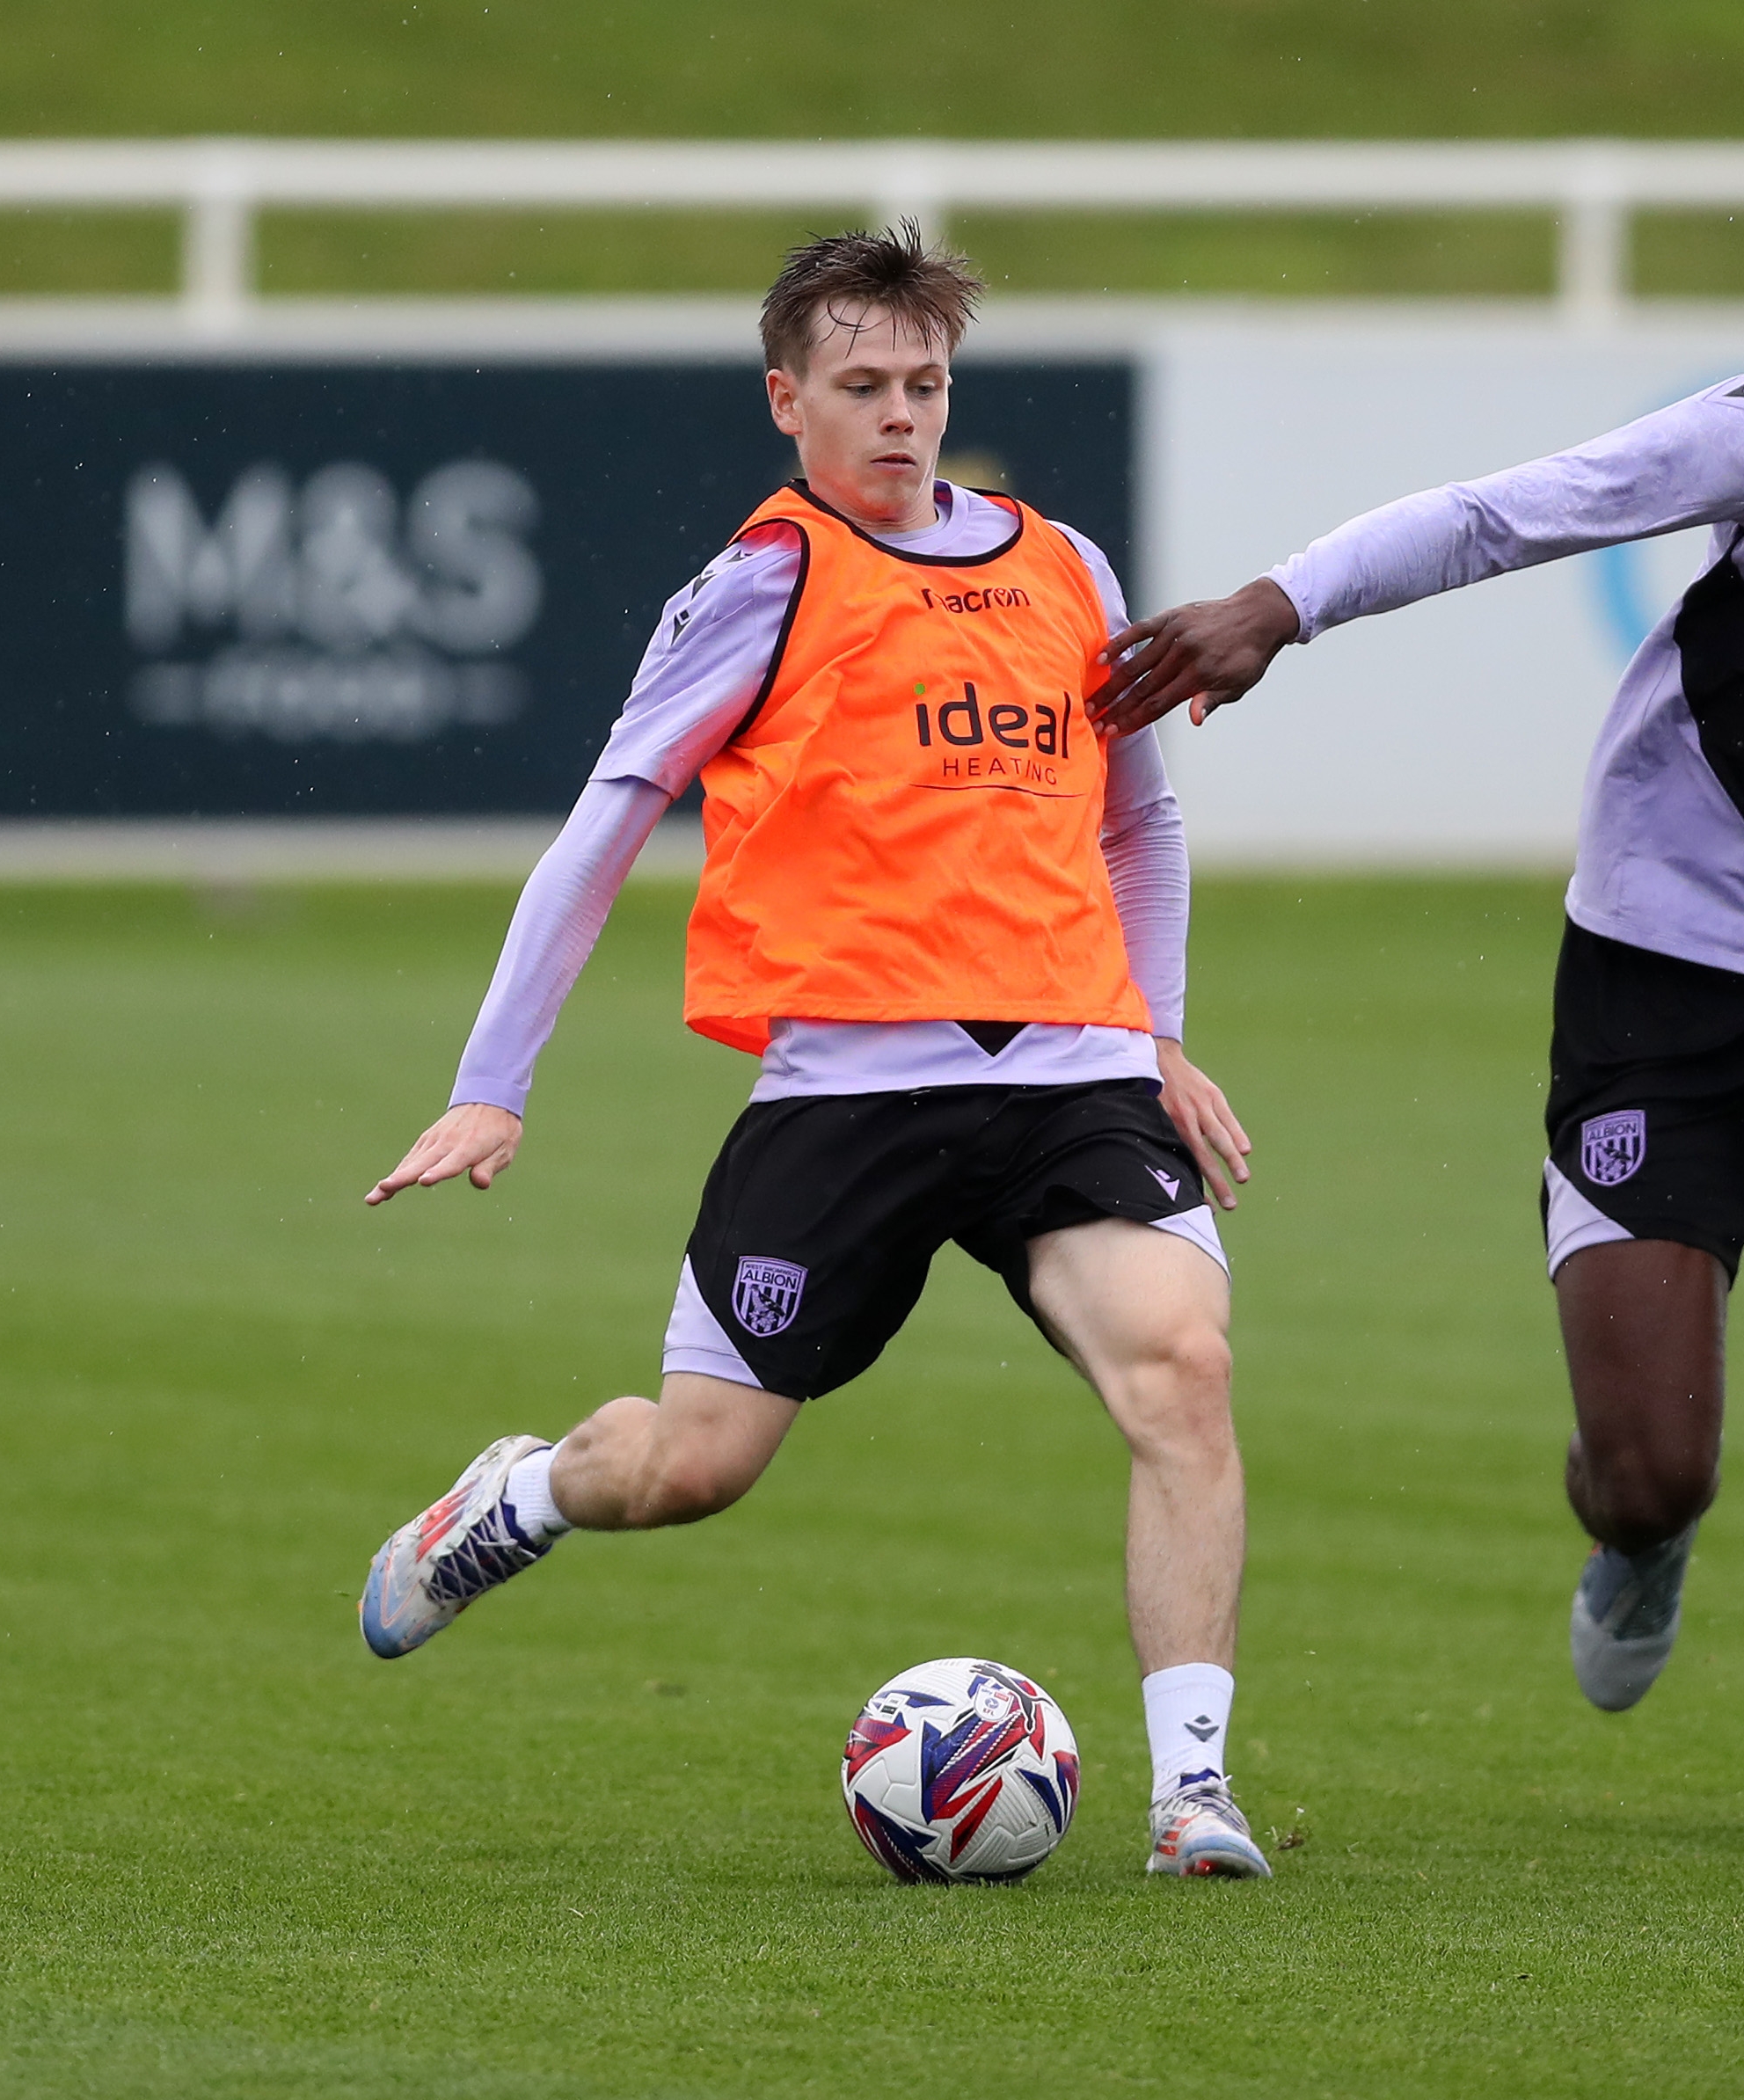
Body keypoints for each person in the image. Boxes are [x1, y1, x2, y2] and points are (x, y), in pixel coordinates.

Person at [1093, 164, 1744, 1839]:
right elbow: (1517, 508)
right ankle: (1641, 1538)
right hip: (1657, 984)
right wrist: (1277, 608)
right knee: (1655, 1467)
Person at [354, 227, 1275, 1881]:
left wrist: (1155, 1034)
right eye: (862, 387)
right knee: (692, 1470)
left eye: (924, 384)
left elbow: (1141, 826)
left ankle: (1192, 1794)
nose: (901, 416)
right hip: (848, 1091)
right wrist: (493, 1078)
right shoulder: (759, 585)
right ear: (789, 401)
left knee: (1183, 1372)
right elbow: (606, 823)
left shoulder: (1064, 567)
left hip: (1066, 1074)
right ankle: (528, 1495)